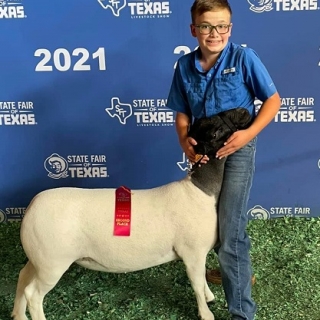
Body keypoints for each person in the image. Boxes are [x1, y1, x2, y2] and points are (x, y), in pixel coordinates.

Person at [166, 0, 281, 319]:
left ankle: (241, 312)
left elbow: (273, 100)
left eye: (222, 26)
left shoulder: (244, 57)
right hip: (204, 151)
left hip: (236, 149)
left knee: (231, 227)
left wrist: (248, 134)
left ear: (230, 28)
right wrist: (184, 139)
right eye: (205, 26)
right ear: (194, 30)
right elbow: (181, 113)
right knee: (208, 221)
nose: (214, 33)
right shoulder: (185, 66)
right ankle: (231, 271)